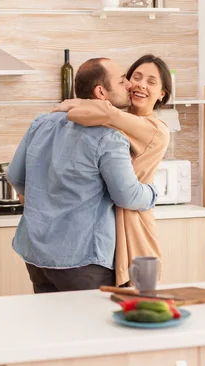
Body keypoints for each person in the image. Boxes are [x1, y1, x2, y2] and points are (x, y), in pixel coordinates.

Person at [6, 57, 158, 293]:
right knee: (90, 329)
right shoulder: (109, 137)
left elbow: (15, 176)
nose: (129, 85)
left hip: (37, 255)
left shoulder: (41, 123)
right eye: (121, 81)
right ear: (101, 92)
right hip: (83, 260)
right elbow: (127, 196)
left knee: (52, 328)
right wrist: (152, 192)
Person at [52, 54, 172, 287]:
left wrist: (70, 104)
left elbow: (106, 113)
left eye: (151, 81)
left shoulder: (155, 129)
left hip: (133, 226)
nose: (140, 85)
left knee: (137, 304)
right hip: (104, 227)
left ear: (162, 94)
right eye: (136, 77)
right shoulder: (115, 121)